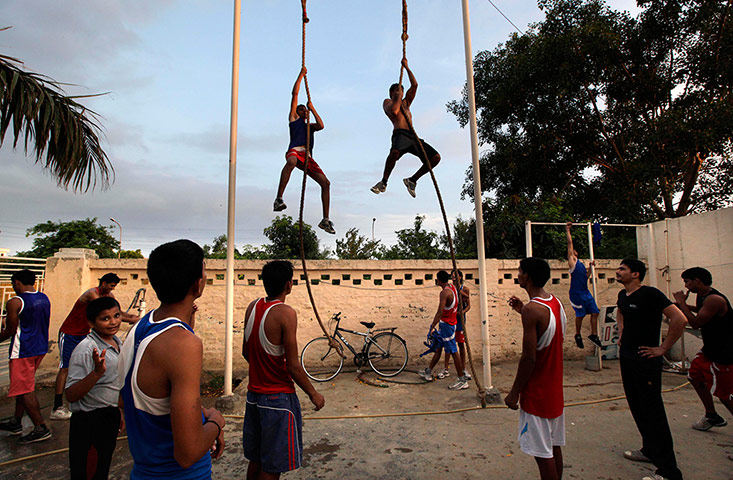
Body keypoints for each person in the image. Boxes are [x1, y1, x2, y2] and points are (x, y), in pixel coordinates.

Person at [118, 240, 225, 479]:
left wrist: (202, 414)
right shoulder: (182, 344)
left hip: (143, 471)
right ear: (198, 284)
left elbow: (139, 401)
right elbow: (187, 453)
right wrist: (216, 422)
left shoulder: (139, 329)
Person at [242, 260, 325, 479]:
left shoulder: (252, 307)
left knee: (257, 458)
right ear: (288, 285)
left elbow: (245, 352)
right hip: (278, 400)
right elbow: (293, 366)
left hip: (254, 397)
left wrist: (262, 370)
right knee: (272, 467)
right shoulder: (285, 313)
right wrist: (313, 393)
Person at [615, 258, 686, 480]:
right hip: (627, 358)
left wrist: (663, 348)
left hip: (646, 362)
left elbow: (679, 319)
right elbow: (621, 312)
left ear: (635, 274)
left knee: (653, 412)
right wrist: (621, 331)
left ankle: (669, 471)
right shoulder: (623, 295)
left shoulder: (651, 294)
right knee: (637, 407)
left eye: (622, 269)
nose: (618, 272)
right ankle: (649, 450)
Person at [505, 257, 567, 480]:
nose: (517, 274)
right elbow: (546, 333)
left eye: (520, 271)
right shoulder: (554, 303)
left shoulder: (533, 310)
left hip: (538, 393)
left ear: (526, 277)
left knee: (543, 454)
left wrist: (514, 393)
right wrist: (522, 310)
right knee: (553, 446)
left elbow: (529, 358)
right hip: (554, 390)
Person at [51, 273, 138, 420]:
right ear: (103, 283)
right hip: (70, 333)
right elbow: (106, 311)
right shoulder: (92, 294)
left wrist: (134, 319)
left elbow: (116, 312)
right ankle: (57, 405)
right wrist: (124, 318)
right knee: (65, 368)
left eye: (114, 286)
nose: (112, 289)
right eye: (111, 285)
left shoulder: (109, 298)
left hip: (84, 332)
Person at [65, 297, 124, 479]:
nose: (113, 322)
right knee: (88, 472)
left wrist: (119, 412)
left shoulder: (116, 343)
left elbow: (114, 384)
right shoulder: (87, 349)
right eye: (105, 318)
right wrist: (96, 373)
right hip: (89, 422)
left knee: (102, 468)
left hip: (108, 417)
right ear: (91, 323)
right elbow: (71, 394)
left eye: (116, 315)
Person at [273, 66, 335, 235]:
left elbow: (321, 125)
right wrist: (301, 75)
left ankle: (326, 220)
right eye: (302, 109)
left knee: (326, 183)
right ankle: (279, 199)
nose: (304, 111)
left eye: (305, 110)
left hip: (306, 156)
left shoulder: (309, 127)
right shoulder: (294, 120)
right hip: (295, 151)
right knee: (291, 161)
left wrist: (312, 108)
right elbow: (294, 95)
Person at [672, 267, 733, 432]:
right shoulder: (703, 296)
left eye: (687, 281)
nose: (685, 286)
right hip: (710, 350)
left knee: (724, 393)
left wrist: (683, 304)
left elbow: (696, 323)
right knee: (695, 376)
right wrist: (681, 305)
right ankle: (711, 415)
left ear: (697, 280)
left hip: (724, 353)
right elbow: (702, 311)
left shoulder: (715, 299)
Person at [370, 58, 441, 198]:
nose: (401, 93)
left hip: (412, 137)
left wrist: (407, 67)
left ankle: (412, 180)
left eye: (402, 91)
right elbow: (395, 111)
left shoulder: (406, 103)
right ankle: (383, 182)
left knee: (435, 158)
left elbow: (414, 85)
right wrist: (397, 97)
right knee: (395, 153)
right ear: (391, 93)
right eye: (397, 91)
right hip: (400, 134)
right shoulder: (387, 102)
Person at [0, 269, 52, 444]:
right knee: (23, 386)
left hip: (23, 350)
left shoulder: (15, 302)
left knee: (25, 389)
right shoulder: (43, 298)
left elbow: (10, 330)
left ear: (17, 283)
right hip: (40, 347)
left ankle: (40, 427)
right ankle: (16, 421)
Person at [417, 270, 469, 390]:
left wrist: (432, 325)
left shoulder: (445, 293)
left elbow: (440, 311)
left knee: (453, 351)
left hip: (447, 324)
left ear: (438, 280)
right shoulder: (453, 287)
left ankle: (462, 379)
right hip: (451, 323)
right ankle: (428, 371)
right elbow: (465, 296)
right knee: (439, 348)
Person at [565, 222, 601, 349]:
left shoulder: (580, 264)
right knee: (580, 315)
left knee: (595, 312)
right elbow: (570, 244)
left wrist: (591, 269)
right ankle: (578, 334)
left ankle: (594, 334)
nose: (574, 250)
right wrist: (568, 230)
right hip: (576, 293)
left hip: (585, 292)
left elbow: (586, 278)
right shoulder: (572, 261)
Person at [437, 270, 472, 380]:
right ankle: (446, 368)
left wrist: (462, 312)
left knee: (460, 344)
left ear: (461, 277)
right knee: (448, 345)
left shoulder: (461, 289)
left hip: (459, 319)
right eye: (452, 276)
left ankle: (463, 369)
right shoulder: (450, 288)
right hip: (451, 318)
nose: (454, 277)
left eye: (456, 275)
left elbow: (468, 303)